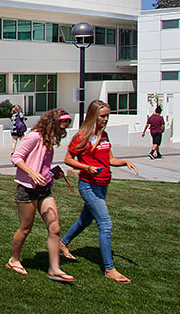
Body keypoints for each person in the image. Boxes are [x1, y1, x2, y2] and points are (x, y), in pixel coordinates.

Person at [60, 99, 139, 283]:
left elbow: (110, 159)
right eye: (103, 116)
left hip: (103, 184)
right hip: (89, 185)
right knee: (105, 224)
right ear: (94, 116)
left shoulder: (104, 136)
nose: (106, 119)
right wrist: (86, 167)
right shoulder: (82, 136)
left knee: (84, 220)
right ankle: (109, 269)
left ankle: (62, 243)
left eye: (107, 116)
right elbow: (68, 159)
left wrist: (125, 162)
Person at [7, 108, 75, 283]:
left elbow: (41, 165)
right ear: (52, 123)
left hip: (44, 189)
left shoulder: (48, 139)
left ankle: (54, 269)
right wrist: (31, 173)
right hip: (27, 189)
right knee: (25, 228)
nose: (63, 131)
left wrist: (52, 173)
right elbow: (16, 157)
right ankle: (14, 260)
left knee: (55, 228)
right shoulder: (34, 136)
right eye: (61, 127)